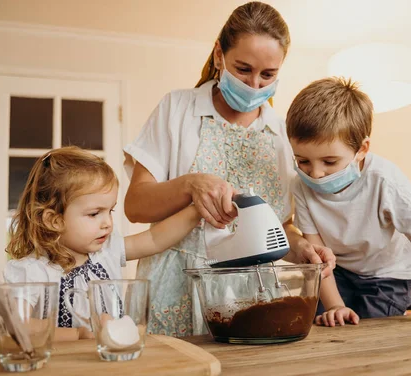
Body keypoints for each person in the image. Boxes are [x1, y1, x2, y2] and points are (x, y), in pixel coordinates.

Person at [123, 1, 335, 337]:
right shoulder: (177, 109)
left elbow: (280, 224)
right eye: (243, 69)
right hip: (175, 284)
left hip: (253, 294)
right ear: (219, 56)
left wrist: (301, 249)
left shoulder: (280, 133)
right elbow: (135, 206)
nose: (254, 85)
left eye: (268, 75)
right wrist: (189, 184)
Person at [286, 77, 411, 327]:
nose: (315, 174)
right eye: (303, 161)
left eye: (329, 162)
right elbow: (317, 256)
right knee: (319, 321)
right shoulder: (300, 185)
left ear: (362, 149)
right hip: (339, 274)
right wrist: (336, 305)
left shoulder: (384, 180)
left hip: (387, 277)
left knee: (371, 330)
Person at [5, 146, 202, 341]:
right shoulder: (33, 272)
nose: (107, 223)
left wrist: (197, 210)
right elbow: (17, 325)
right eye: (94, 214)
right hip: (58, 369)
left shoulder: (107, 251)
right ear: (54, 220)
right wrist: (78, 334)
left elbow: (154, 239)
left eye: (110, 211)